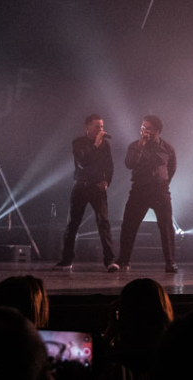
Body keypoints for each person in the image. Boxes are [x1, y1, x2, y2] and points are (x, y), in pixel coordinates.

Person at [116, 115, 178, 273]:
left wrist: (164, 182)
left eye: (148, 128)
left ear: (158, 130)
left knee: (166, 226)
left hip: (160, 190)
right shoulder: (135, 146)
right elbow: (129, 164)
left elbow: (171, 169)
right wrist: (141, 146)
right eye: (143, 127)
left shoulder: (168, 148)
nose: (144, 130)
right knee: (129, 225)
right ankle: (123, 260)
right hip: (139, 190)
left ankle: (170, 262)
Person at [58, 113, 118, 272]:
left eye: (102, 127)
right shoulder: (78, 143)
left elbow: (110, 165)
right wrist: (96, 144)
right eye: (97, 126)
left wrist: (107, 181)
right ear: (88, 127)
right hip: (81, 186)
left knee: (103, 222)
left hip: (97, 188)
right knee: (73, 224)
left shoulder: (105, 145)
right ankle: (66, 260)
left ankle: (110, 260)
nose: (101, 129)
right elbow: (83, 163)